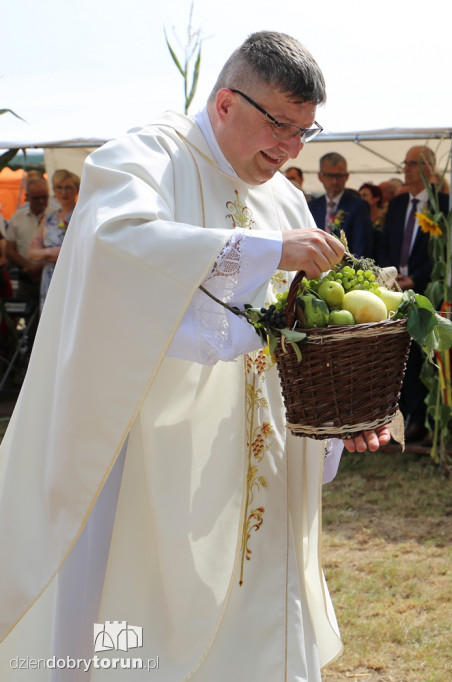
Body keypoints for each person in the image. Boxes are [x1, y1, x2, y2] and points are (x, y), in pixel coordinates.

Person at [0, 31, 390, 681]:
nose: (292, 149)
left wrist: (341, 412)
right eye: (280, 126)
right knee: (141, 614)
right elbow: (116, 247)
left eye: (306, 131)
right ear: (225, 104)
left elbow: (301, 326)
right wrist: (266, 252)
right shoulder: (144, 157)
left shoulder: (286, 198)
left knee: (259, 607)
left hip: (258, 448)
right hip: (147, 450)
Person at [374, 145, 452, 441]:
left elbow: (448, 253)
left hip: (427, 292)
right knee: (398, 354)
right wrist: (390, 275)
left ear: (428, 168)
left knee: (423, 357)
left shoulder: (446, 204)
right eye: (405, 163)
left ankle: (424, 419)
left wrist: (416, 279)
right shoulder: (398, 205)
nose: (405, 168)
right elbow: (386, 244)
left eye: (411, 163)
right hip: (395, 291)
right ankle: (406, 414)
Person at [26, 169, 79, 308]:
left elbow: (76, 252)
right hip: (49, 277)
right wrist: (51, 252)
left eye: (68, 187)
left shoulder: (81, 216)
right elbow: (31, 253)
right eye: (59, 187)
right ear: (54, 190)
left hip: (72, 276)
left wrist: (45, 253)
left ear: (77, 189)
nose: (64, 192)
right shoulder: (49, 217)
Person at [307, 152, 374, 256]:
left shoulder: (358, 206)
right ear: (320, 176)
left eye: (339, 176)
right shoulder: (312, 207)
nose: (334, 181)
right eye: (329, 175)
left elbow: (362, 248)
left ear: (347, 176)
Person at [4, 177, 48, 304]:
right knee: (27, 317)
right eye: (36, 198)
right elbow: (10, 249)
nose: (41, 201)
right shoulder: (17, 217)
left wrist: (39, 268)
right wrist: (29, 267)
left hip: (50, 277)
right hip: (26, 277)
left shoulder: (56, 216)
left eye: (44, 197)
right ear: (27, 197)